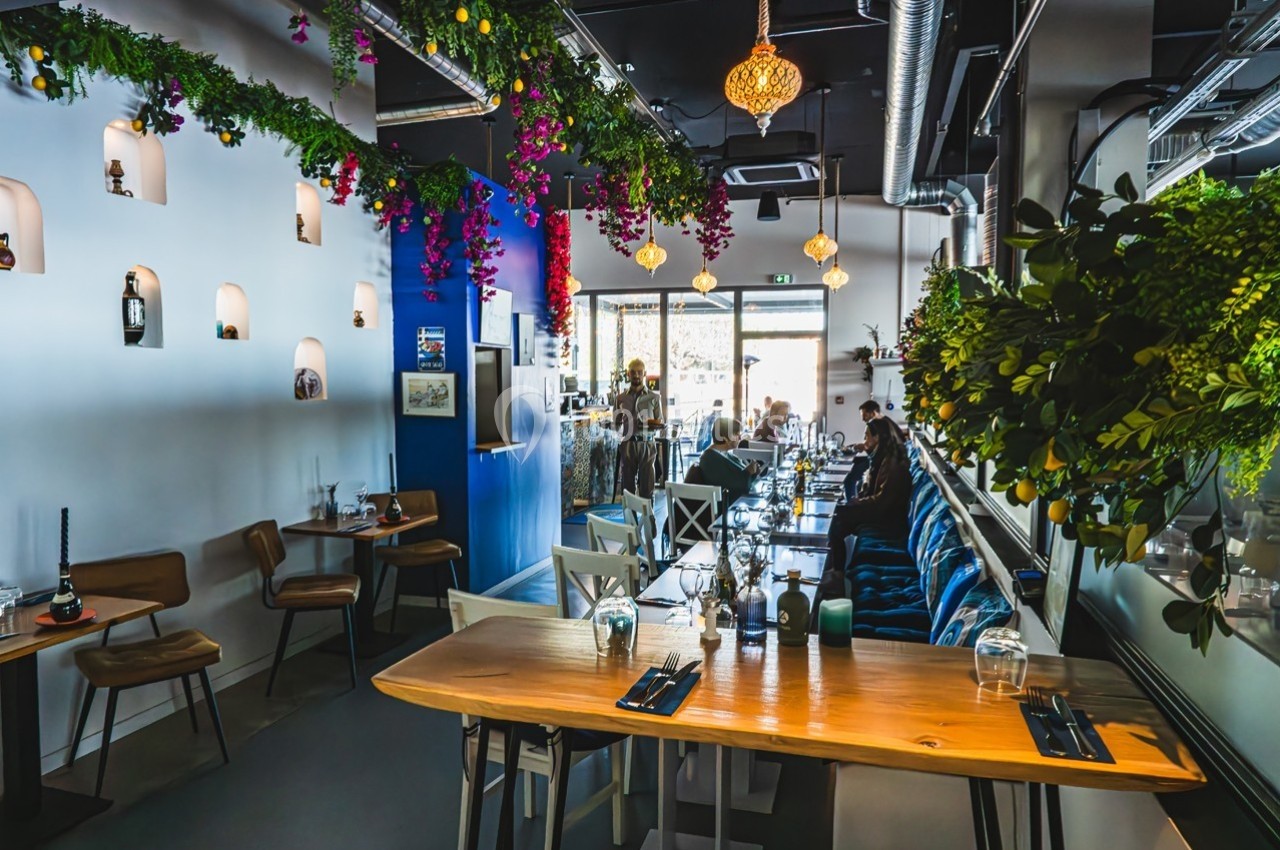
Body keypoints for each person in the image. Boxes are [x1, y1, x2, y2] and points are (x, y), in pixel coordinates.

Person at [818, 417, 912, 603]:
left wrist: (857, 503)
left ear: (878, 438)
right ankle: (835, 569)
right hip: (881, 511)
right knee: (838, 513)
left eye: (867, 437)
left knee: (837, 518)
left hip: (887, 519)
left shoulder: (891, 463)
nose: (865, 441)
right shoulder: (882, 457)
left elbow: (883, 501)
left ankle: (837, 575)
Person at [614, 358, 663, 499]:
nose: (636, 375)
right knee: (627, 489)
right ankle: (629, 520)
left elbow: (660, 422)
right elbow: (616, 424)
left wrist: (652, 424)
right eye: (633, 372)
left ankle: (649, 520)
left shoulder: (654, 397)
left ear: (644, 374)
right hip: (627, 444)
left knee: (647, 488)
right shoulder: (620, 398)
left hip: (647, 443)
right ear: (628, 375)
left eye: (639, 372)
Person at [843, 399, 904, 498]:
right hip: (886, 460)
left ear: (872, 413)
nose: (863, 419)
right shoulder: (887, 421)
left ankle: (850, 504)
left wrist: (858, 447)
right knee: (857, 477)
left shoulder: (875, 424)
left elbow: (870, 445)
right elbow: (875, 442)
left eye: (864, 415)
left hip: (880, 462)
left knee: (850, 479)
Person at [697, 416, 762, 506]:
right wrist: (749, 472)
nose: (740, 438)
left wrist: (753, 472)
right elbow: (737, 486)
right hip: (725, 509)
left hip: (737, 502)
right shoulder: (709, 458)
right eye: (736, 435)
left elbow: (739, 480)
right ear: (724, 437)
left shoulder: (725, 454)